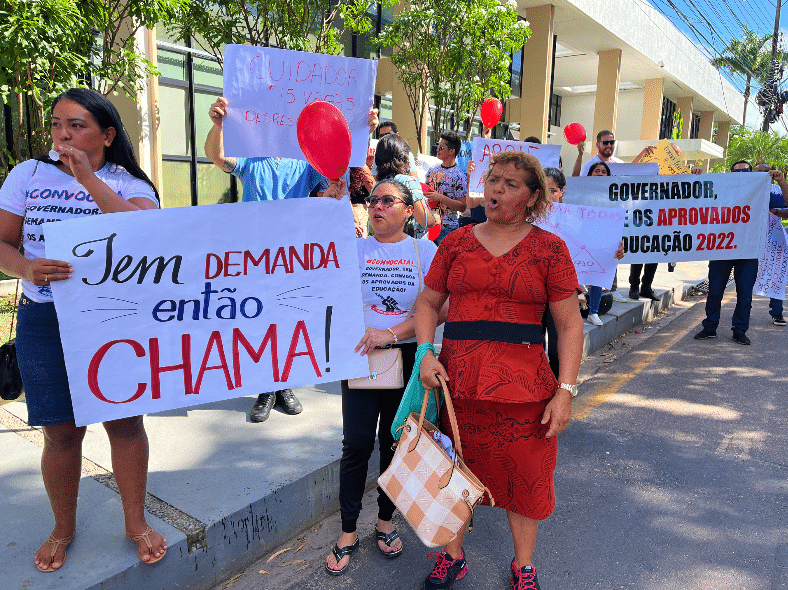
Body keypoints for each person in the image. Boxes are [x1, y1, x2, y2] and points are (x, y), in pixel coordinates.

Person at [0, 88, 166, 571]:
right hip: (44, 318)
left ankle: (136, 523)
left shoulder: (126, 181)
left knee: (124, 422)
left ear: (107, 134)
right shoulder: (25, 175)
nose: (62, 134)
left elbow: (143, 231)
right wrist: (27, 270)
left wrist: (87, 178)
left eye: (76, 125)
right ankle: (63, 527)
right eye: (56, 124)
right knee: (61, 431)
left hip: (113, 319)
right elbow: (4, 244)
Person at [414, 151, 584, 590]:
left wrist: (565, 390)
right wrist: (425, 354)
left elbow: (568, 324)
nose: (496, 190)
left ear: (532, 198)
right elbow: (429, 303)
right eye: (493, 180)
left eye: (510, 184)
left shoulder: (550, 249)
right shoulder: (456, 242)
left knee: (526, 481)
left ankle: (523, 566)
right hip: (458, 387)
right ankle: (453, 556)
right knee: (452, 473)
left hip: (526, 393)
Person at [205, 96, 378, 422]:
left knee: (287, 318)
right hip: (256, 256)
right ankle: (267, 388)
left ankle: (281, 385)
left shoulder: (306, 165)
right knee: (259, 320)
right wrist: (218, 127)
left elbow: (336, 174)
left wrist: (361, 130)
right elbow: (217, 156)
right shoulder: (252, 161)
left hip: (293, 256)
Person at [324, 179, 440, 576]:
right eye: (373, 200)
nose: (377, 207)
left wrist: (390, 334)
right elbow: (317, 269)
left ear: (409, 210)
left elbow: (436, 311)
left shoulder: (425, 252)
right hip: (358, 360)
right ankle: (348, 530)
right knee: (355, 445)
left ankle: (386, 521)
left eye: (388, 201)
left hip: (405, 360)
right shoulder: (353, 250)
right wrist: (328, 205)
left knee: (394, 442)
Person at [694, 160, 761, 345]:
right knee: (715, 290)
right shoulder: (720, 189)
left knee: (745, 294)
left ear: (752, 173)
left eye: (745, 171)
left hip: (747, 251)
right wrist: (695, 176)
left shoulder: (761, 191)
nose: (741, 174)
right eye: (736, 171)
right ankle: (710, 327)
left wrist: (780, 181)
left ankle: (739, 331)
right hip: (722, 248)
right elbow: (696, 199)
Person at [373, 134, 437, 238]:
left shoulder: (378, 185)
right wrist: (435, 218)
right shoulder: (408, 182)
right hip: (410, 246)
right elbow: (426, 221)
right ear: (404, 156)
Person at [754, 163, 788, 326]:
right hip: (750, 238)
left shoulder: (774, 190)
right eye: (757, 172)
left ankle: (777, 312)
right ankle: (742, 311)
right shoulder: (743, 188)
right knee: (746, 274)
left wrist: (782, 182)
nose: (761, 174)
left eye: (764, 172)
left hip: (773, 239)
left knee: (775, 273)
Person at [424, 130, 467, 245]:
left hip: (447, 229)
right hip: (428, 224)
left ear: (452, 151)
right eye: (438, 146)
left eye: (441, 147)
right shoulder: (432, 170)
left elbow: (462, 206)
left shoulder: (459, 176)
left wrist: (440, 197)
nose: (437, 149)